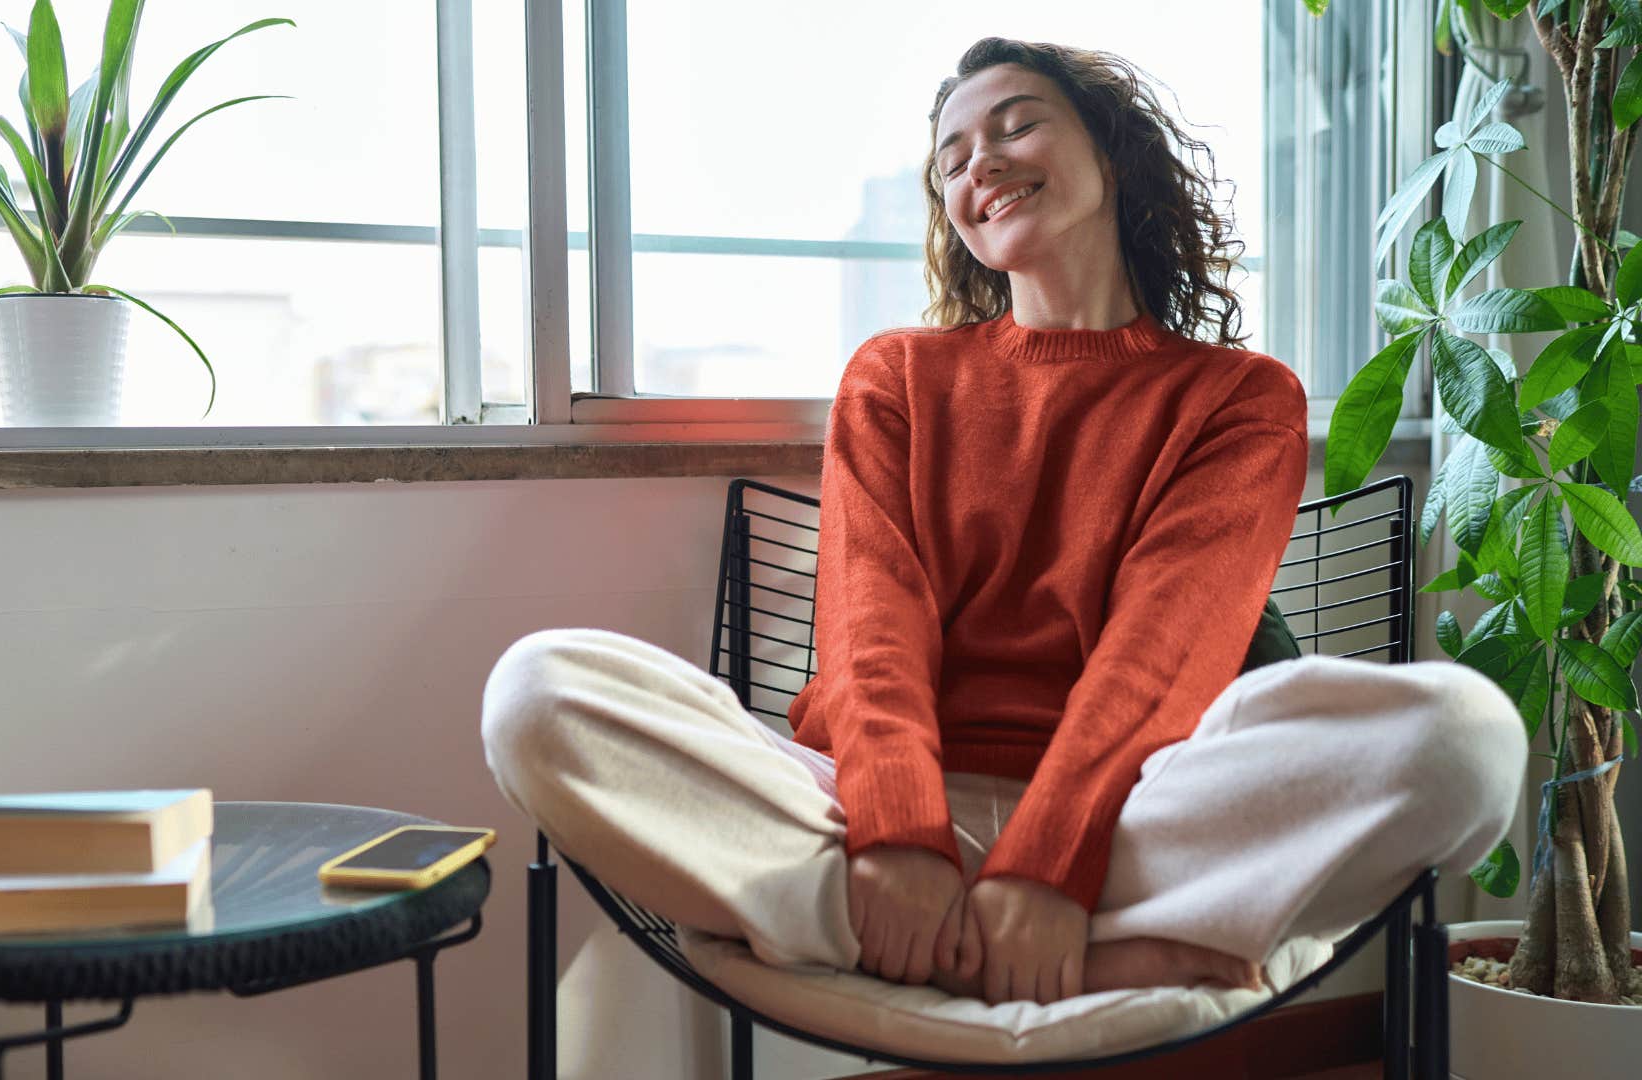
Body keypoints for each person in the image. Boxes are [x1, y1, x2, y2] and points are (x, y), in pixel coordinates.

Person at [481, 37, 1526, 1011]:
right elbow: (869, 626)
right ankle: (1097, 954)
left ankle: (869, 937)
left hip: (1130, 818)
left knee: (1468, 738)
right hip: (859, 818)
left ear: (1111, 157)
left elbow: (1166, 652)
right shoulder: (898, 374)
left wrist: (1047, 863)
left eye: (1018, 124)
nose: (981, 161)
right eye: (952, 159)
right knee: (538, 688)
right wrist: (900, 837)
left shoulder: (1239, 398)